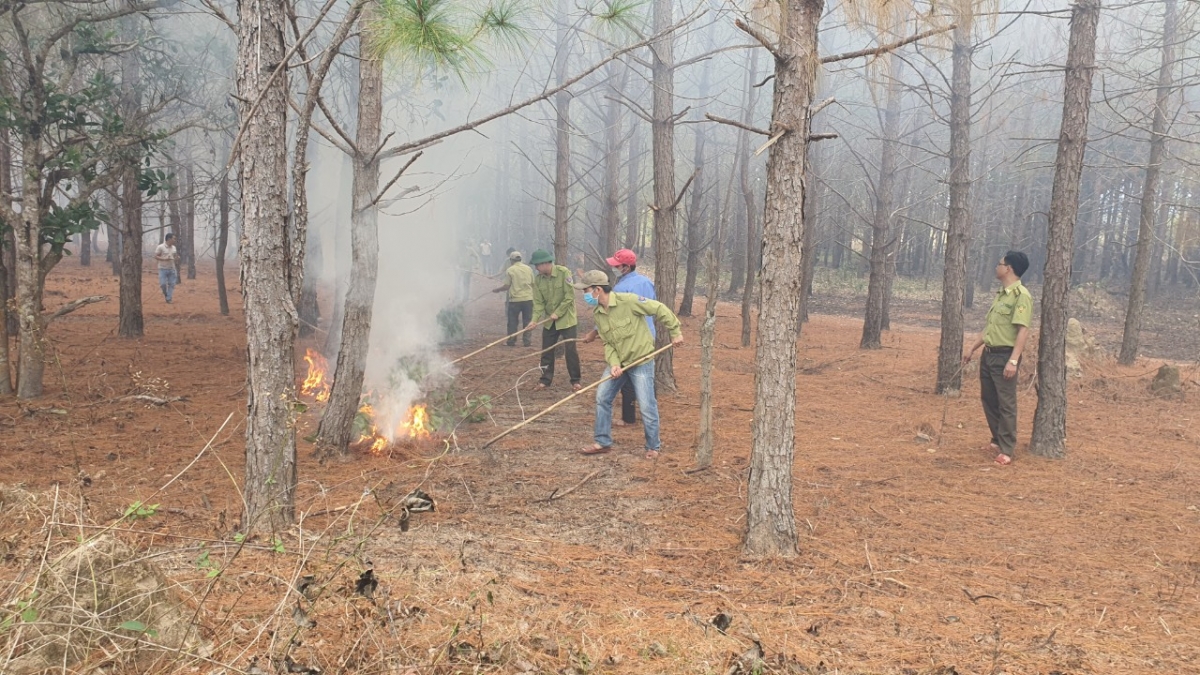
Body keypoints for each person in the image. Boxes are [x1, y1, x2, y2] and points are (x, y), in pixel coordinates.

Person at [574, 270, 683, 459]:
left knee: (647, 404)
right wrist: (614, 364)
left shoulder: (629, 301)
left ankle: (653, 446)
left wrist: (675, 331)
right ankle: (602, 441)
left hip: (641, 360)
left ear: (597, 290)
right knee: (602, 397)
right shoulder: (598, 313)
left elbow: (659, 309)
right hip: (620, 363)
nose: (584, 294)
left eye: (586, 290)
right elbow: (608, 343)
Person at [962, 250, 1033, 466]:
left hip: (1005, 356)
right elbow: (990, 328)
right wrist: (972, 348)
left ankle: (1007, 448)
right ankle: (996, 439)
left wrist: (1013, 360)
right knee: (989, 399)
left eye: (999, 263)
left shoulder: (1021, 296)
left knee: (1006, 403)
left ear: (1009, 268)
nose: (996, 267)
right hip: (989, 354)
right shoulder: (1001, 295)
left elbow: (1022, 330)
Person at [583, 248, 655, 426]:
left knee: (627, 376)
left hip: (628, 336)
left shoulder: (621, 289)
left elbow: (611, 316)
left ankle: (629, 417)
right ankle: (638, 414)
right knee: (644, 377)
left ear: (626, 267)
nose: (614, 268)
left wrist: (595, 332)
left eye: (617, 265)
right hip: (647, 335)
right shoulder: (646, 282)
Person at [527, 249, 581, 391]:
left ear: (545, 264)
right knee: (546, 351)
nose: (536, 269)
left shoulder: (564, 273)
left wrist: (558, 313)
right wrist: (534, 320)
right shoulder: (538, 279)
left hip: (567, 320)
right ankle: (545, 380)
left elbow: (569, 296)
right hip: (550, 321)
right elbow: (538, 303)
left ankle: (575, 380)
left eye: (537, 266)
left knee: (570, 351)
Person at [493, 250, 534, 347]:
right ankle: (527, 342)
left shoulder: (510, 270)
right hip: (528, 299)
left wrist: (497, 290)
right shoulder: (528, 269)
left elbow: (507, 286)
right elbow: (533, 284)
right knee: (527, 321)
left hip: (515, 300)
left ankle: (511, 341)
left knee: (512, 321)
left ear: (511, 260)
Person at [154, 233, 180, 304]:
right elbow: (156, 256)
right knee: (163, 284)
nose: (174, 240)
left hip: (172, 268)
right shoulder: (160, 247)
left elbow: (175, 257)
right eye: (173, 238)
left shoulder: (174, 247)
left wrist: (177, 258)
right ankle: (166, 294)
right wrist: (164, 259)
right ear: (169, 239)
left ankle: (169, 298)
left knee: (172, 284)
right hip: (162, 268)